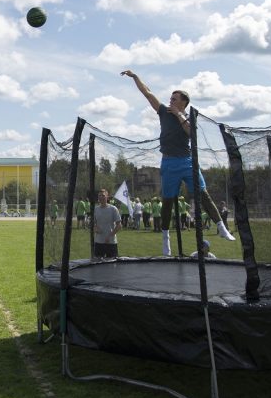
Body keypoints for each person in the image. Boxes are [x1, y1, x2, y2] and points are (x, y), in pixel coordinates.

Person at [121, 70, 235, 256]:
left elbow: (191, 133)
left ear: (183, 103)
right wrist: (135, 77)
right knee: (167, 202)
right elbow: (147, 93)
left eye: (175, 99)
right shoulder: (163, 112)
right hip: (169, 163)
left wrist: (178, 115)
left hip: (187, 162)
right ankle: (165, 237)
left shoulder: (189, 118)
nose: (171, 100)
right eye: (171, 98)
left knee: (203, 194)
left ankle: (221, 227)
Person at [94, 189, 121, 258]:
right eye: (99, 195)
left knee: (113, 265)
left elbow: (119, 225)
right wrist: (95, 228)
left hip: (111, 242)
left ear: (107, 197)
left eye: (103, 195)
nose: (101, 197)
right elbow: (93, 223)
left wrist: (110, 236)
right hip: (99, 241)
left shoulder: (113, 209)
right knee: (98, 264)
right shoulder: (95, 209)